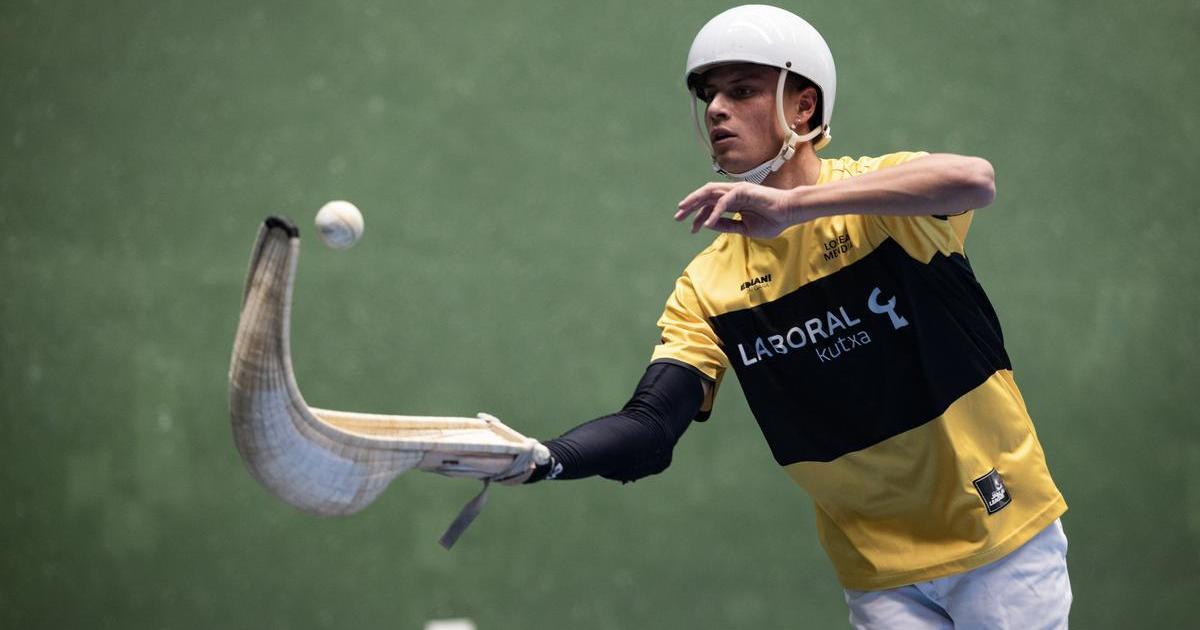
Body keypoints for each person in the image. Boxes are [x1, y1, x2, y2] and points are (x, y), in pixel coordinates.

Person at [514, 5, 1071, 627]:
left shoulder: (880, 199)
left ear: (803, 108)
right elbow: (650, 426)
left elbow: (974, 180)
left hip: (1000, 534)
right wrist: (541, 457)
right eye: (709, 95)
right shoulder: (708, 285)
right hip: (880, 571)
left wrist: (798, 206)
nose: (716, 108)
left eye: (741, 90)